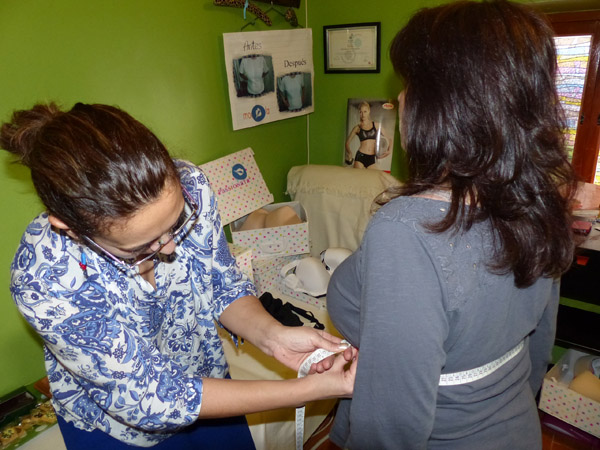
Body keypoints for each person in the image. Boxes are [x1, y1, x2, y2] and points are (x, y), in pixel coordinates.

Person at [1, 102, 357, 449]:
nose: (170, 249)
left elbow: (221, 284)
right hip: (120, 429)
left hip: (208, 381)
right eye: (142, 247)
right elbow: (154, 398)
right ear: (71, 230)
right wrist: (310, 390)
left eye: (176, 223)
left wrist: (274, 336)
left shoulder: (191, 186)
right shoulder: (45, 280)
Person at [327, 1, 577, 449]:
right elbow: (540, 346)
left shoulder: (406, 232)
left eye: (409, 86)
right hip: (516, 425)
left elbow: (391, 424)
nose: (399, 100)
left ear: (445, 104)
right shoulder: (539, 200)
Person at [344, 101, 390, 169]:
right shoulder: (357, 128)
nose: (363, 114)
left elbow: (389, 138)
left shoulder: (376, 125)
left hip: (371, 158)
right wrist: (350, 153)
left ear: (369, 111)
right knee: (357, 178)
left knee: (375, 177)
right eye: (360, 112)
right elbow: (347, 143)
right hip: (360, 157)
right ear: (359, 113)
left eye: (365, 111)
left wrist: (389, 150)